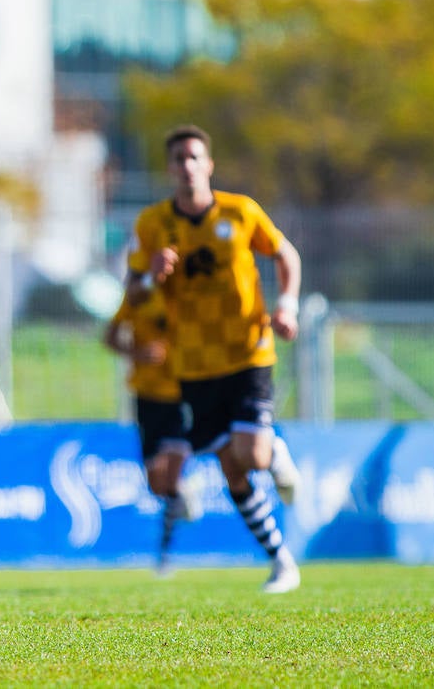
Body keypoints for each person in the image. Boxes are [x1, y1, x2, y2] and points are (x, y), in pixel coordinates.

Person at [127, 124, 302, 594]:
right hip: (194, 366)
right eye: (178, 158)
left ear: (208, 165)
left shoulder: (240, 212)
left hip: (248, 351)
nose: (186, 166)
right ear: (169, 169)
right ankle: (282, 563)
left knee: (252, 454)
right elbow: (133, 296)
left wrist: (287, 305)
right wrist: (151, 278)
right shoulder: (151, 226)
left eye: (193, 157)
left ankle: (275, 450)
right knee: (232, 468)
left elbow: (286, 255)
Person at [101, 284, 201, 575]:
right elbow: (109, 338)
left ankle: (165, 556)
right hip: (147, 396)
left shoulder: (190, 292)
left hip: (183, 392)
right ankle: (183, 489)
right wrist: (137, 352)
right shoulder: (137, 296)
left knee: (171, 471)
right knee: (157, 484)